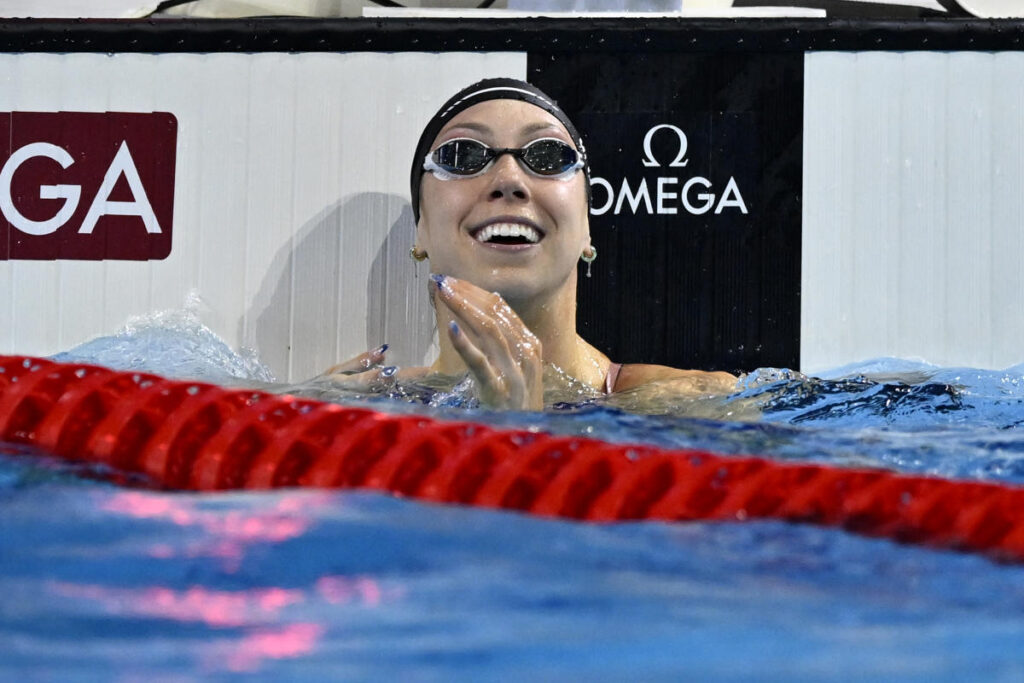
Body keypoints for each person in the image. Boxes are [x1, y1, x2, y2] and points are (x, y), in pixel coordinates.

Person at [326, 78, 735, 410]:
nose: (508, 180)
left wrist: (521, 438)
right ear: (421, 230)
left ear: (587, 232)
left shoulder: (696, 403)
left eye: (549, 155)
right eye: (462, 154)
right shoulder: (364, 409)